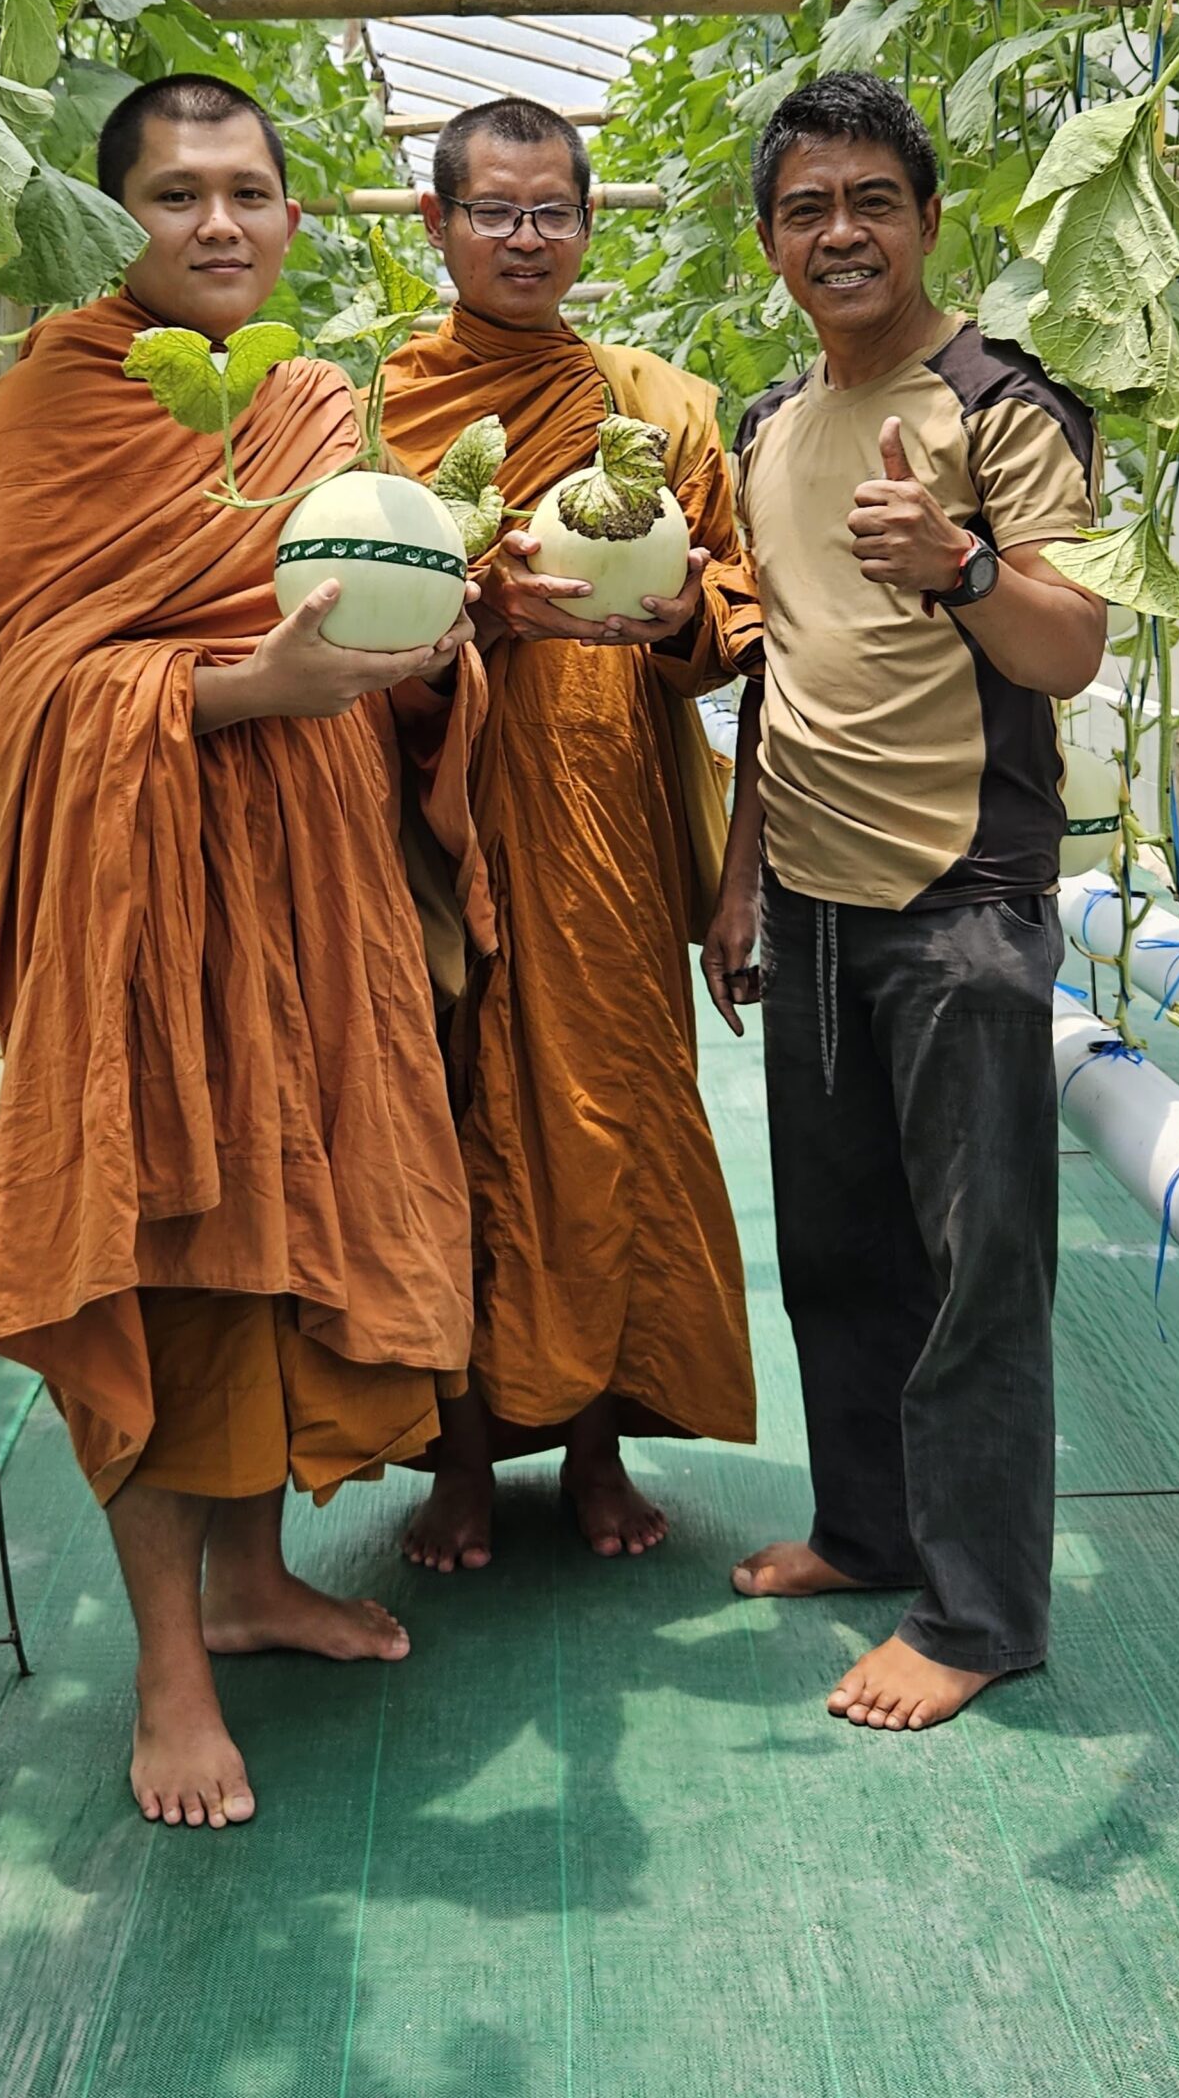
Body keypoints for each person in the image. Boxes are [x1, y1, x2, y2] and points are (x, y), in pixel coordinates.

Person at [0, 74, 490, 1830]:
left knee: (281, 1219)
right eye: (176, 196)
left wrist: (436, 648)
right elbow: (19, 689)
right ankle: (168, 1683)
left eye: (247, 192)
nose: (218, 224)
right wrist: (236, 691)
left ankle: (256, 1592)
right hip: (137, 894)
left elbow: (366, 611)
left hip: (312, 882)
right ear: (120, 222)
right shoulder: (51, 407)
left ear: (292, 213)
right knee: (163, 1239)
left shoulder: (316, 398)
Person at [703, 72, 1104, 1733]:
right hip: (803, 897)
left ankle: (978, 1615)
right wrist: (735, 879)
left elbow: (1072, 643)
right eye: (806, 208)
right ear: (771, 242)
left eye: (872, 200)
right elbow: (773, 679)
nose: (840, 232)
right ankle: (865, 1532)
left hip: (962, 895)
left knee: (973, 1271)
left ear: (927, 220)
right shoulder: (767, 429)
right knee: (838, 1250)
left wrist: (964, 565)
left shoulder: (1000, 406)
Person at [382, 97, 759, 1571]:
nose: (525, 239)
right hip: (432, 821)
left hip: (604, 820)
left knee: (602, 1126)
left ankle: (594, 1447)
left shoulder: (654, 405)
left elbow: (734, 604)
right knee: (447, 1122)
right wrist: (460, 619)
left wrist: (682, 623)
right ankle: (461, 1460)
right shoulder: (387, 405)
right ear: (438, 224)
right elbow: (336, 606)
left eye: (552, 213)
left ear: (587, 227)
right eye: (495, 212)